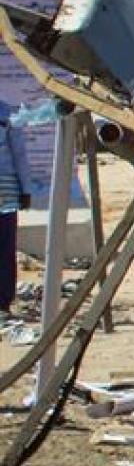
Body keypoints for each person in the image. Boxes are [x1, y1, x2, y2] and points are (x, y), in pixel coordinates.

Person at [0, 99, 25, 316]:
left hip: (5, 193)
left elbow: (19, 153)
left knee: (5, 248)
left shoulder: (6, 112)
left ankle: (3, 302)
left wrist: (25, 189)